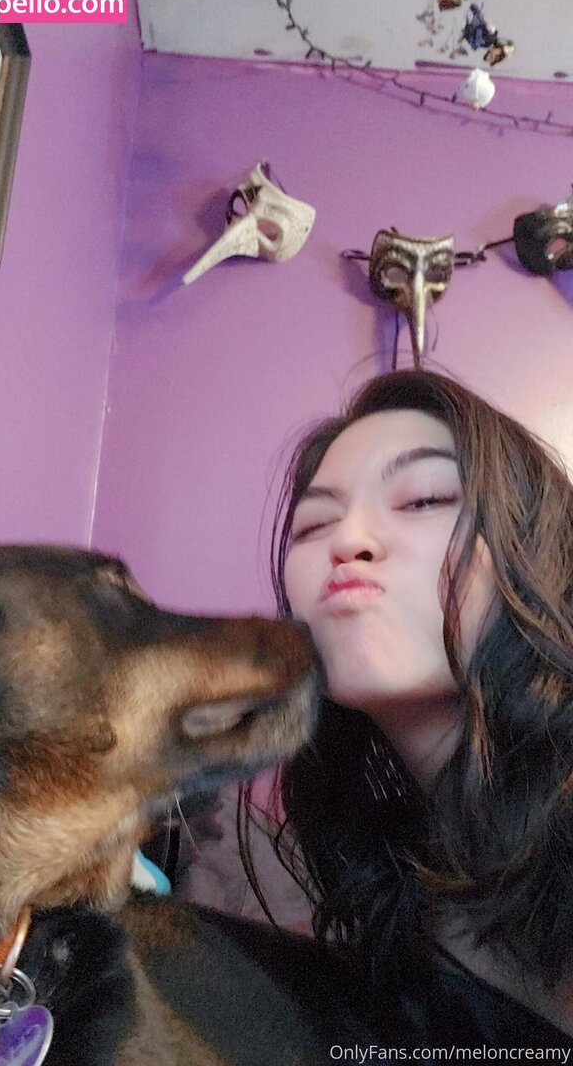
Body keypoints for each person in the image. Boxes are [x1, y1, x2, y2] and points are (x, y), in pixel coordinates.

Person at [237, 367, 573, 1050]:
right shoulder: (396, 903)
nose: (348, 540)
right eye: (314, 523)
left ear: (540, 550)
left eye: (423, 499)